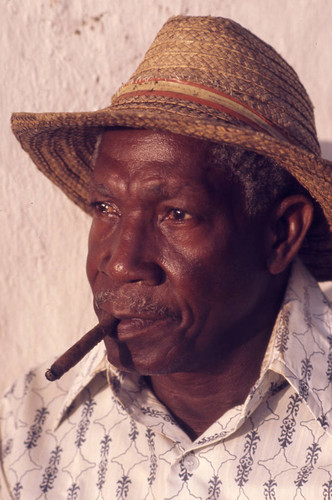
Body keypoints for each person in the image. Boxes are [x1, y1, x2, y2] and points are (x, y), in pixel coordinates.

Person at [1, 15, 331, 499]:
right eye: (106, 208)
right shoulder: (26, 431)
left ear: (281, 233)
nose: (120, 263)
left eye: (176, 214)